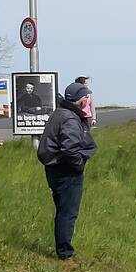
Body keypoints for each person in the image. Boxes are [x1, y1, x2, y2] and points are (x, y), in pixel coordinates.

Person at [36, 81, 97, 259]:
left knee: (62, 210)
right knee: (68, 213)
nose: (88, 100)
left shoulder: (59, 113)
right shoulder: (70, 118)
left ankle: (63, 249)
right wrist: (79, 165)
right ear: (81, 100)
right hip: (66, 171)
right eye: (86, 97)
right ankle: (65, 253)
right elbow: (70, 149)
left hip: (54, 169)